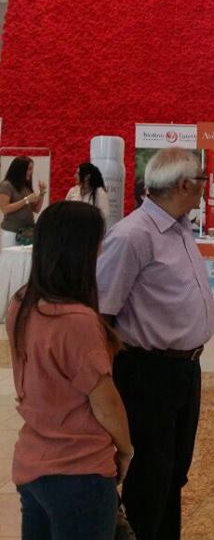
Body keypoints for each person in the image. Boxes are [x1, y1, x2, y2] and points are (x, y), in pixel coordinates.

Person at [96, 148, 214, 540]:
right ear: (184, 184)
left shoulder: (179, 227)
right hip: (147, 372)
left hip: (185, 368)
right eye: (202, 179)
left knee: (174, 472)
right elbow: (102, 312)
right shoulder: (132, 235)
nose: (205, 186)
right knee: (149, 478)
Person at [8, 201, 133, 540]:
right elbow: (105, 402)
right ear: (82, 249)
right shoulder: (76, 320)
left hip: (33, 461)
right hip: (78, 470)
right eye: (98, 242)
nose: (101, 251)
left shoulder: (21, 303)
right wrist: (126, 449)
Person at [0, 156, 46, 249]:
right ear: (20, 169)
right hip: (12, 232)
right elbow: (5, 209)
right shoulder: (6, 185)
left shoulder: (26, 187)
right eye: (29, 169)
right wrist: (26, 200)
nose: (31, 172)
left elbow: (36, 209)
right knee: (11, 257)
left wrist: (42, 193)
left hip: (28, 232)